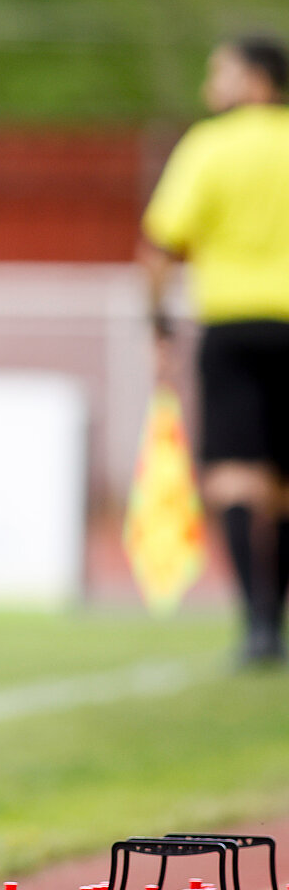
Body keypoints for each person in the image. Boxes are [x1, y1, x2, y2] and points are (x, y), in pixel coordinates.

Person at [141, 34, 289, 665]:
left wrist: (159, 324)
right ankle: (276, 622)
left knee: (234, 473)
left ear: (257, 81)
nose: (210, 86)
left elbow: (160, 244)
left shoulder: (207, 147)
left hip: (229, 325)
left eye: (220, 72)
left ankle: (254, 622)